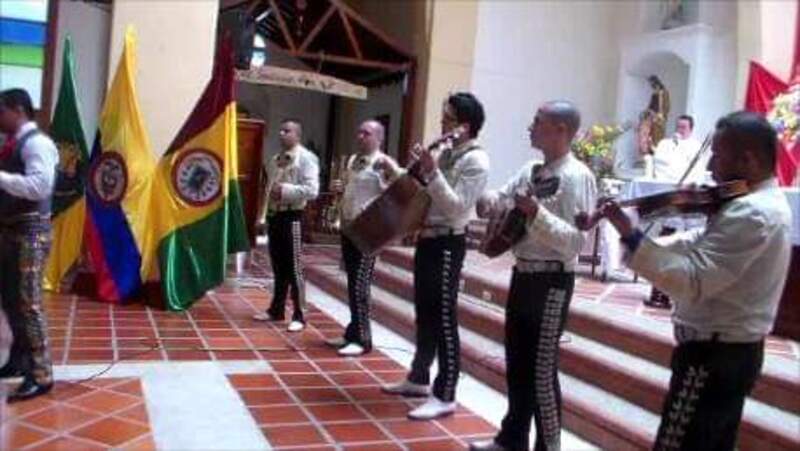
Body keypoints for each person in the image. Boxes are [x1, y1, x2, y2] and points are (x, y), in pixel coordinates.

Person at [600, 111, 792, 450]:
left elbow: (692, 280)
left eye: (718, 155)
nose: (711, 166)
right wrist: (645, 242)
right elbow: (699, 242)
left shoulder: (753, 212)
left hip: (714, 356)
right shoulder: (747, 202)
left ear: (748, 160)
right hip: (725, 351)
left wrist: (632, 237)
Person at [469, 101, 597, 451]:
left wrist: (537, 213)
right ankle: (513, 438)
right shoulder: (531, 170)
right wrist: (489, 200)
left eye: (537, 121)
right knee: (517, 362)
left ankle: (548, 446)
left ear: (561, 130)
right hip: (523, 275)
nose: (530, 126)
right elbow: (502, 197)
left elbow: (575, 243)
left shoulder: (577, 176)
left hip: (552, 282)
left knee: (541, 371)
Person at [381, 92, 490, 420]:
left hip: (448, 243)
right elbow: (425, 195)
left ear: (465, 126)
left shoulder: (476, 161)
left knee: (444, 318)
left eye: (448, 119)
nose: (442, 124)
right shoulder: (447, 155)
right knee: (425, 314)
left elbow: (456, 207)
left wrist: (433, 172)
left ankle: (445, 394)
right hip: (428, 240)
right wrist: (406, 172)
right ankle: (418, 378)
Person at [0, 88, 59, 402]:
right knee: (11, 300)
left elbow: (40, 186)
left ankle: (41, 373)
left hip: (31, 234)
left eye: (1, 111)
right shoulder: (12, 143)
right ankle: (20, 360)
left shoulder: (38, 143)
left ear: (18, 110)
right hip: (11, 232)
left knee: (28, 303)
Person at [325, 120, 400, 356]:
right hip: (349, 226)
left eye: (366, 133)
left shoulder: (384, 163)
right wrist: (339, 187)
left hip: (369, 231)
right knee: (351, 283)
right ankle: (352, 332)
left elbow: (399, 190)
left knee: (361, 285)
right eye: (359, 132)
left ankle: (363, 340)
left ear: (379, 138)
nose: (360, 136)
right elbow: (349, 189)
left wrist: (391, 172)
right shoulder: (351, 161)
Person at [253, 119, 319, 332]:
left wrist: (286, 191)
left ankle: (300, 314)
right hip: (275, 216)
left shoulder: (306, 158)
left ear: (297, 135)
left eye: (287, 131)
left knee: (294, 268)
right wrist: (263, 216)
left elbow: (312, 190)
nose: (282, 134)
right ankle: (276, 309)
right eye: (280, 130)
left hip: (293, 216)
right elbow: (268, 189)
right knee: (278, 266)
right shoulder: (275, 159)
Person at [646, 114, 708, 183]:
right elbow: (659, 161)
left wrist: (679, 146)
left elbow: (696, 167)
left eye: (683, 127)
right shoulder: (664, 143)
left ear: (691, 129)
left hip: (686, 183)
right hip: (665, 181)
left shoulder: (696, 146)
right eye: (678, 127)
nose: (680, 130)